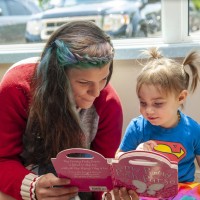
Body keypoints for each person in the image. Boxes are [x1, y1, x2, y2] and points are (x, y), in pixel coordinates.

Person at [0, 20, 138, 200]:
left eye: (103, 79)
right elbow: (3, 160)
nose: (96, 92)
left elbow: (102, 178)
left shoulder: (108, 102)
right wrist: (33, 187)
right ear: (56, 76)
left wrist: (109, 196)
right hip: (25, 185)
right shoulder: (16, 88)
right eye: (83, 82)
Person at [117, 48, 200, 184]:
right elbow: (118, 160)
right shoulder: (137, 128)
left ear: (180, 97)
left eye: (158, 103)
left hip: (182, 189)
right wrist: (136, 154)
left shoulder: (193, 130)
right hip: (147, 189)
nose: (148, 110)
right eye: (143, 103)